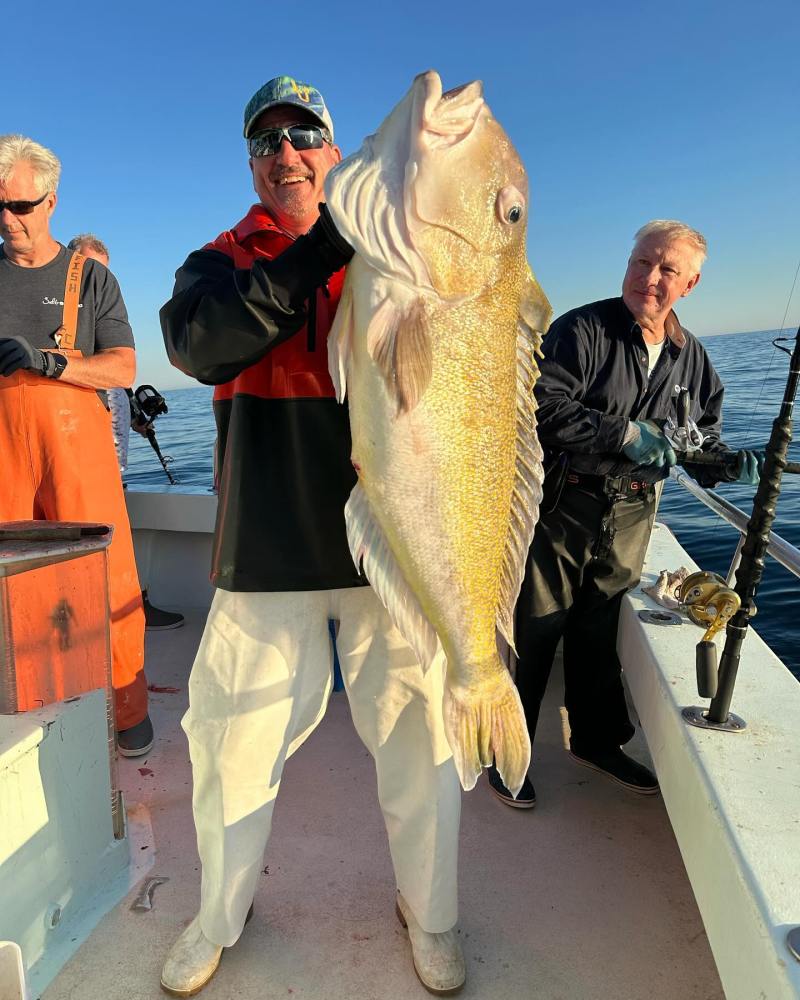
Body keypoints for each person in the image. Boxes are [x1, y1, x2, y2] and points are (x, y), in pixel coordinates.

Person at [158, 76, 464, 997]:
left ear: (333, 150)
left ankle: (433, 914)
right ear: (252, 161)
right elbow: (199, 346)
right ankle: (220, 915)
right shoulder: (218, 260)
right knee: (230, 747)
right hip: (267, 550)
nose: (285, 153)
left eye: (304, 136)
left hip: (396, 547)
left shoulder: (397, 253)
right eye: (267, 141)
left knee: (422, 742)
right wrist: (318, 251)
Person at [488, 220, 766, 809]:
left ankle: (596, 741)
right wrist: (623, 433)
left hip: (634, 511)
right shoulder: (581, 330)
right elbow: (540, 409)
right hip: (566, 503)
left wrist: (731, 465)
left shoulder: (692, 360)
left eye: (667, 269)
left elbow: (696, 442)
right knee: (535, 629)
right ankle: (503, 752)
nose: (649, 277)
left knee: (597, 628)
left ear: (688, 285)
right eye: (642, 262)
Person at [0, 136, 152, 756]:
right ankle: (27, 715)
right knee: (11, 580)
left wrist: (49, 362)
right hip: (4, 451)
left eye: (21, 206)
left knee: (108, 576)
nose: (7, 219)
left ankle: (128, 711)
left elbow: (120, 367)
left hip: (76, 447)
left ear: (52, 201)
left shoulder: (92, 280)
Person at [67, 233, 184, 632]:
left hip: (113, 467)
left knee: (116, 533)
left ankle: (129, 607)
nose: (95, 278)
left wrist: (133, 414)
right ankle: (104, 614)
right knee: (95, 538)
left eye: (102, 271)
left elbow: (115, 378)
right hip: (80, 463)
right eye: (86, 268)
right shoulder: (65, 319)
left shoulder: (105, 314)